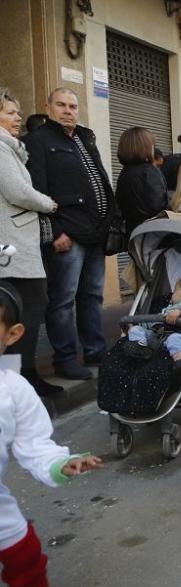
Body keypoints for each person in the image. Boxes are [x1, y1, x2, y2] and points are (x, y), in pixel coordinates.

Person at [0, 281, 103, 584]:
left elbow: (32, 442)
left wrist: (58, 463)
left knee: (27, 558)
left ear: (12, 334)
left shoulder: (14, 389)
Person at [25, 88, 114, 381]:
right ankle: (64, 358)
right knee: (62, 299)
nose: (67, 110)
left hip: (95, 232)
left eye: (73, 106)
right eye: (61, 105)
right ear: (48, 107)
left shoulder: (85, 138)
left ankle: (95, 350)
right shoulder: (37, 141)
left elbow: (99, 179)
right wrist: (56, 231)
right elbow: (37, 191)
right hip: (68, 234)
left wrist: (110, 222)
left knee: (92, 296)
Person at [0, 88, 61, 397]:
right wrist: (48, 203)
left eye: (18, 112)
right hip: (12, 247)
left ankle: (23, 376)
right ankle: (21, 378)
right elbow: (17, 191)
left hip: (17, 244)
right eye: (10, 112)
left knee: (28, 309)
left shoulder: (11, 148)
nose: (17, 117)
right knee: (25, 310)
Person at [125, 275, 181, 381]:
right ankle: (139, 348)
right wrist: (137, 325)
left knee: (175, 340)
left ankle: (180, 364)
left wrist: (180, 311)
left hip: (175, 334)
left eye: (174, 291)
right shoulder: (166, 309)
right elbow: (153, 322)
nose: (171, 295)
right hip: (156, 337)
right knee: (136, 330)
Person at [114, 127, 168, 239]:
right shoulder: (150, 171)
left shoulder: (124, 172)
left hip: (132, 231)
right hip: (153, 231)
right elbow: (158, 204)